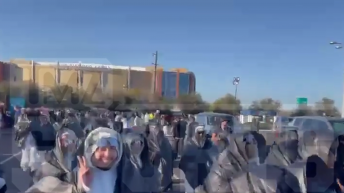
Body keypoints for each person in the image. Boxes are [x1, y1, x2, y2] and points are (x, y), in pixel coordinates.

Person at [25, 127, 123, 193]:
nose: (107, 154)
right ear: (90, 150)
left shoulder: (124, 174)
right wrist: (83, 187)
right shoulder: (76, 173)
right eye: (101, 149)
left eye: (113, 148)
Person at [179, 125, 213, 192]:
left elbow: (211, 157)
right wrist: (188, 169)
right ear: (195, 133)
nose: (200, 135)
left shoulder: (207, 144)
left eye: (202, 133)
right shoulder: (189, 144)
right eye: (199, 133)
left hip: (204, 174)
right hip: (191, 174)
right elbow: (182, 162)